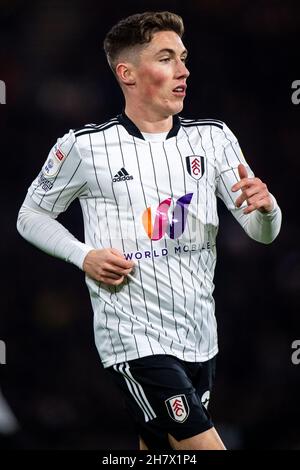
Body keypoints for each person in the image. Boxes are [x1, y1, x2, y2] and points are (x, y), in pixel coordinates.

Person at [17, 11, 282, 450]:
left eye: (183, 57)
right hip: (134, 339)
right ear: (128, 73)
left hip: (200, 337)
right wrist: (83, 255)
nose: (183, 70)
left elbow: (261, 231)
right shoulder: (83, 147)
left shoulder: (213, 139)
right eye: (166, 59)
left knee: (160, 450)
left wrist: (268, 209)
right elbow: (31, 215)